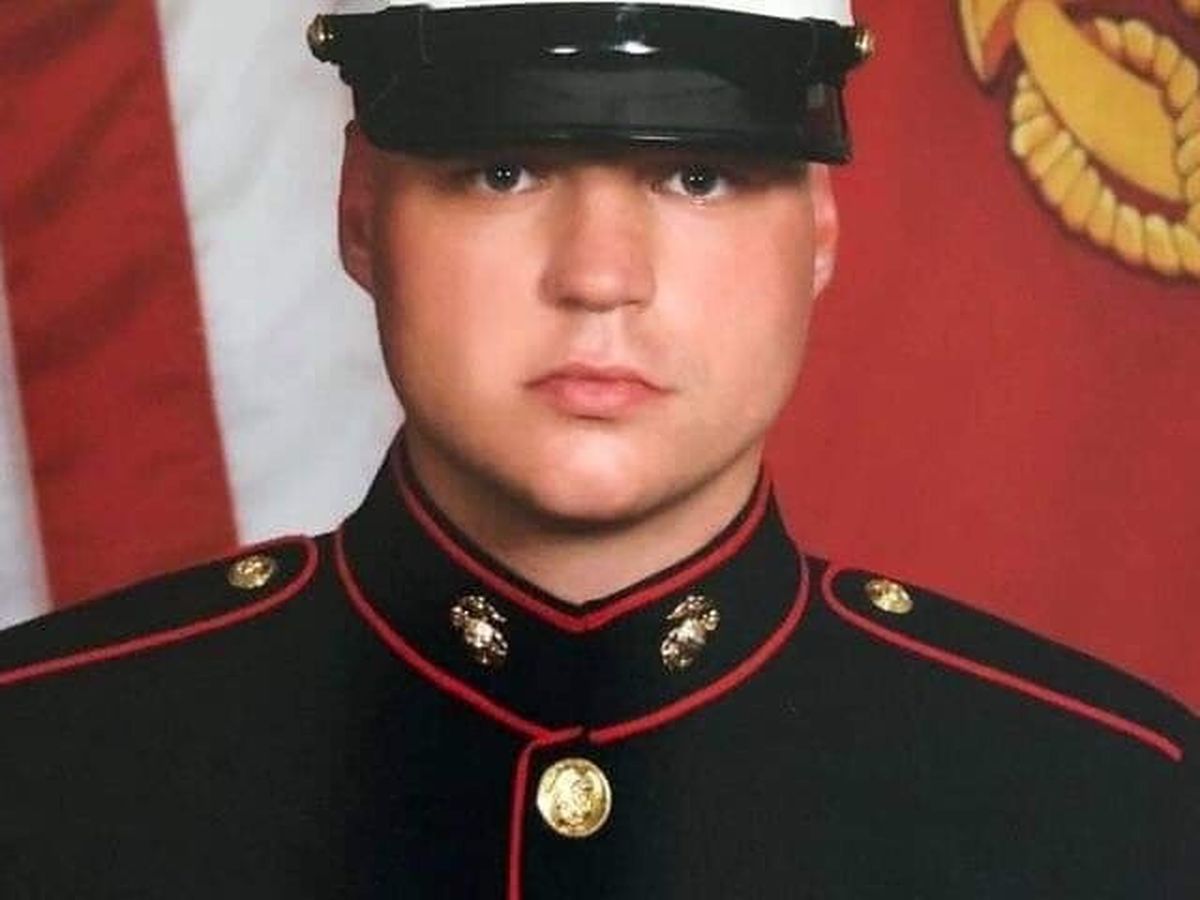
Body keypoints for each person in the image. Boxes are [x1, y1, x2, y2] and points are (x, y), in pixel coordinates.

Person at [0, 1, 1194, 896]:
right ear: (361, 210)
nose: (600, 276)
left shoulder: (1117, 812)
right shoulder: (47, 768)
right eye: (503, 171)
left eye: (699, 175)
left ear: (822, 235)